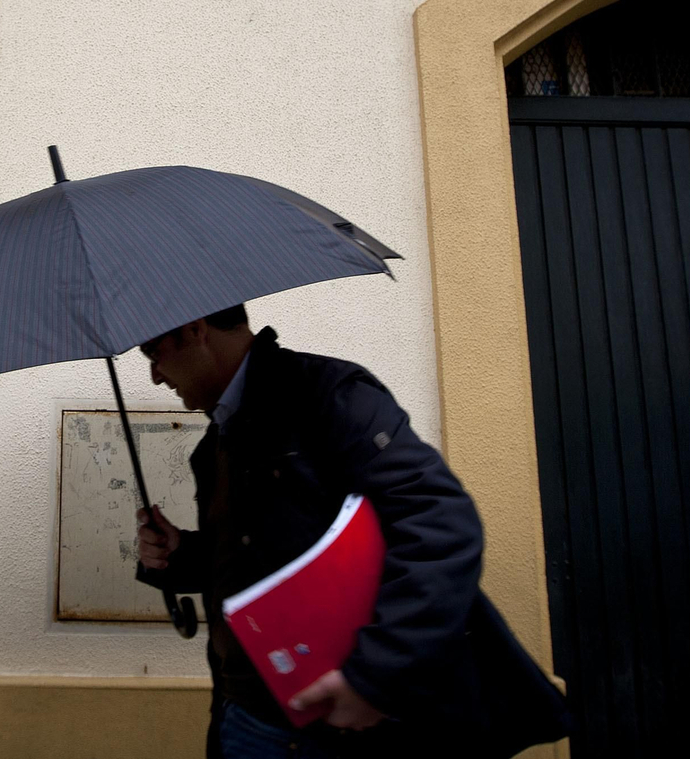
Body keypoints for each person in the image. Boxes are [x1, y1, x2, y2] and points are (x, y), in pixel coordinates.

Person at [134, 305, 570, 759]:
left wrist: (375, 677)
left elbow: (440, 525)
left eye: (153, 354)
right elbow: (259, 558)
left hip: (351, 721)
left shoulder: (326, 393)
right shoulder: (214, 446)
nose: (156, 377)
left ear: (194, 329)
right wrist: (181, 552)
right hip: (247, 715)